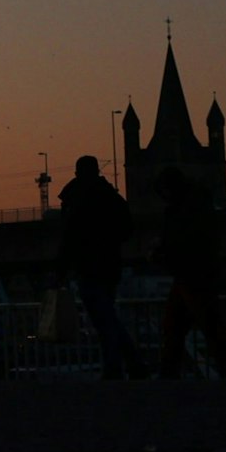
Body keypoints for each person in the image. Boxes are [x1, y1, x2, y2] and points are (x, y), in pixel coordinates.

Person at [56, 156, 145, 380]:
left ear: (77, 172)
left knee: (102, 317)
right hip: (109, 264)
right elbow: (127, 229)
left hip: (87, 266)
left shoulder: (74, 198)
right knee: (107, 316)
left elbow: (69, 238)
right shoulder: (110, 197)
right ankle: (131, 363)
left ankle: (119, 366)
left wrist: (61, 271)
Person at [153, 166, 226, 379]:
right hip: (194, 273)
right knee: (183, 326)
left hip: (192, 274)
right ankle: (170, 372)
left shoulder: (184, 208)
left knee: (190, 326)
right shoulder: (197, 203)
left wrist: (162, 252)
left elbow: (183, 240)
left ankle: (169, 373)